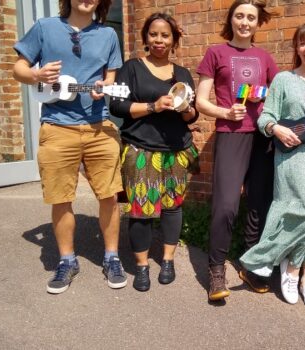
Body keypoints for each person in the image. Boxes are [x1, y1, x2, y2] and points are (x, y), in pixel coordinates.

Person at [12, 0, 127, 294]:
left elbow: (110, 76)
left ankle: (112, 257)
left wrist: (104, 87)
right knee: (60, 198)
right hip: (56, 126)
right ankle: (66, 260)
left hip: (99, 127)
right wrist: (36, 75)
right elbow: (18, 68)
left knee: (109, 196)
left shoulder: (108, 35)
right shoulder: (45, 28)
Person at [240, 22, 305, 309]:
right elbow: (265, 116)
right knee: (299, 211)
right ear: (297, 48)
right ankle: (292, 272)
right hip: (290, 158)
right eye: (303, 43)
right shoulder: (283, 80)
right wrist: (276, 129)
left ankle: (302, 275)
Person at [109, 13, 199, 292]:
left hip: (176, 149)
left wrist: (186, 109)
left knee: (172, 207)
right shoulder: (132, 68)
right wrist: (153, 106)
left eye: (165, 35)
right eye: (154, 34)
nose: (159, 40)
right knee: (140, 210)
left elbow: (191, 117)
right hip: (140, 148)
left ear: (174, 40)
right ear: (146, 37)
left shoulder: (182, 74)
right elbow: (118, 107)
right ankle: (142, 266)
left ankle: (168, 260)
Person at [196, 0, 279, 301]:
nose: (245, 22)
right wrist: (223, 112)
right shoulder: (215, 53)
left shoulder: (265, 57)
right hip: (231, 134)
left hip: (262, 136)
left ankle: (251, 263)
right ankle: (216, 268)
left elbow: (276, 95)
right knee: (226, 204)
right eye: (240, 16)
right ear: (231, 20)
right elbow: (200, 102)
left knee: (259, 203)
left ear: (258, 24)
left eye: (251, 18)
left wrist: (266, 96)